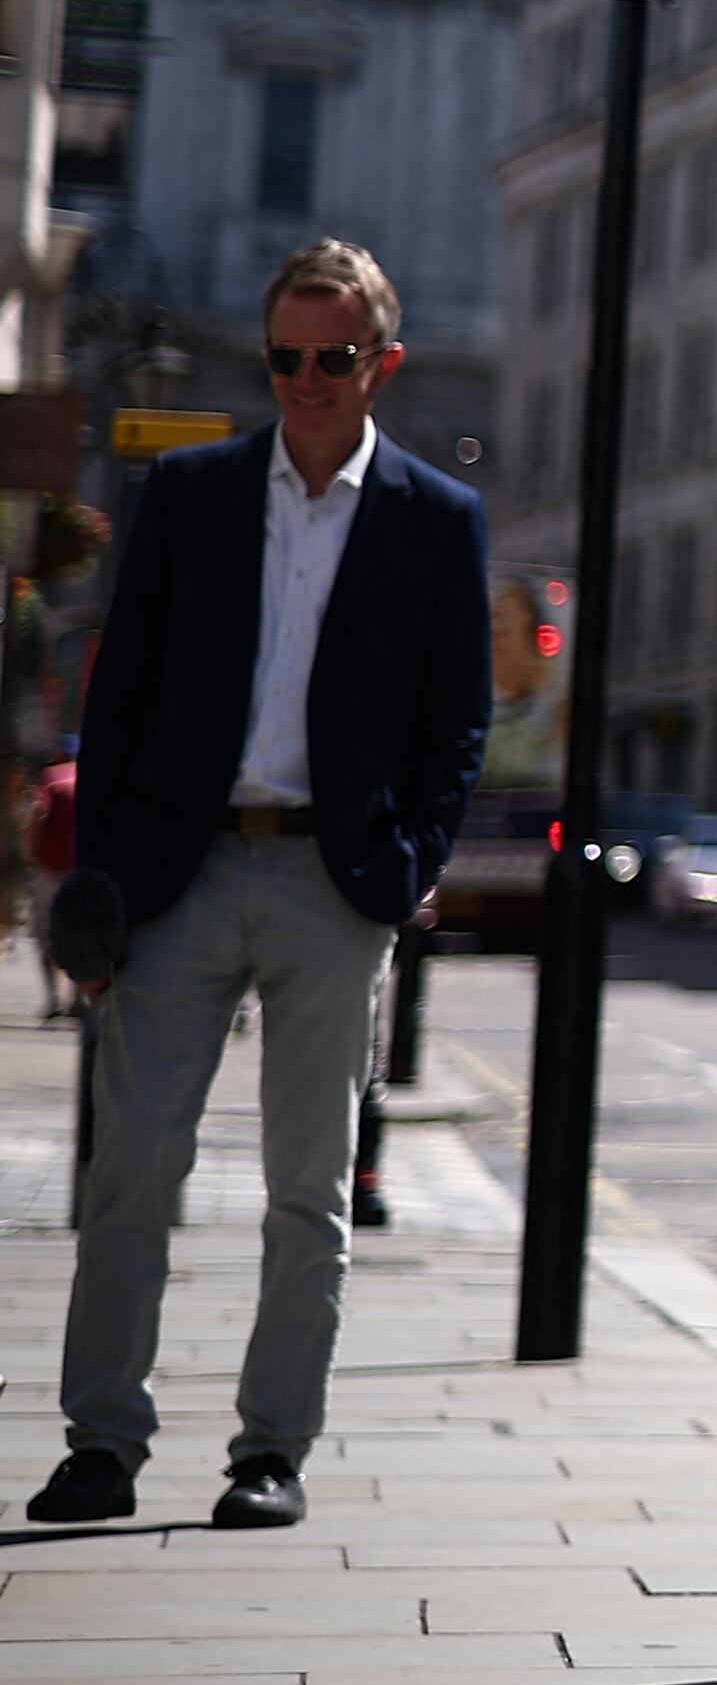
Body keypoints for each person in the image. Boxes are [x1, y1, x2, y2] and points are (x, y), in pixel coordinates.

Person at [27, 242, 490, 1531]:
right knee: (131, 1172)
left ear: (380, 364)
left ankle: (270, 1450)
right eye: (284, 356)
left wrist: (409, 863)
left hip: (334, 885)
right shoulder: (190, 495)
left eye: (332, 358)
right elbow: (119, 696)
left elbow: (458, 718)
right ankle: (101, 1445)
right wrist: (105, 871)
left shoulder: (433, 519)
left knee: (311, 1190)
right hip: (184, 868)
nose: (303, 380)